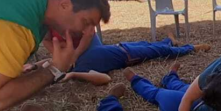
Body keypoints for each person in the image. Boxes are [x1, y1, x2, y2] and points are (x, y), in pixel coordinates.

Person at [24, 32, 211, 85]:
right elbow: (106, 78)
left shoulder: (71, 57)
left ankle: (169, 41)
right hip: (128, 56)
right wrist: (73, 75)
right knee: (159, 52)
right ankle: (192, 48)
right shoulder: (78, 69)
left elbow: (47, 62)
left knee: (150, 45)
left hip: (121, 46)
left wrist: (33, 65)